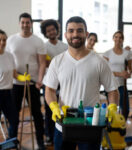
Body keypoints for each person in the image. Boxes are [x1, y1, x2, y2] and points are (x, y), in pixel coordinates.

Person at [44, 16, 119, 150]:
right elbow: (49, 90)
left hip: (91, 126)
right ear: (66, 34)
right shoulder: (57, 61)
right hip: (63, 125)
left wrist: (113, 108)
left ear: (86, 34)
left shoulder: (99, 61)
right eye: (71, 31)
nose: (75, 34)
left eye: (79, 30)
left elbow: (112, 90)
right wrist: (54, 107)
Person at [0, 29, 31, 150]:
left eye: (4, 40)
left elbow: (14, 75)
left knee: (14, 120)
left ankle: (11, 143)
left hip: (7, 93)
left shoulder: (9, 56)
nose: (2, 42)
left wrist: (23, 77)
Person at [6, 13, 46, 150]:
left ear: (31, 24)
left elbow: (42, 63)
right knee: (13, 114)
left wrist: (40, 80)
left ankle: (40, 141)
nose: (25, 25)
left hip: (33, 83)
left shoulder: (38, 41)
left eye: (28, 22)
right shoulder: (11, 40)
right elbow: (7, 61)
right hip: (15, 83)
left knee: (37, 114)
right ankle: (12, 141)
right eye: (23, 22)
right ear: (19, 23)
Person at [40, 19, 68, 146]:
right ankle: (49, 136)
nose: (51, 32)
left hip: (64, 82)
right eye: (48, 30)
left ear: (57, 30)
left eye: (53, 29)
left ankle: (65, 133)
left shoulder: (64, 46)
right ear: (45, 33)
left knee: (63, 107)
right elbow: (45, 63)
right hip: (49, 82)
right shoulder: (44, 47)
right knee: (50, 110)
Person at [103, 30, 132, 120]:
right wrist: (119, 74)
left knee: (125, 110)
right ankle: (112, 126)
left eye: (120, 37)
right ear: (113, 38)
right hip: (111, 85)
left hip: (122, 85)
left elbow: (130, 70)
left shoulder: (127, 53)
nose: (118, 39)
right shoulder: (107, 53)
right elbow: (105, 71)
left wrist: (128, 74)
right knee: (113, 108)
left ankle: (121, 125)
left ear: (123, 40)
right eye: (116, 37)